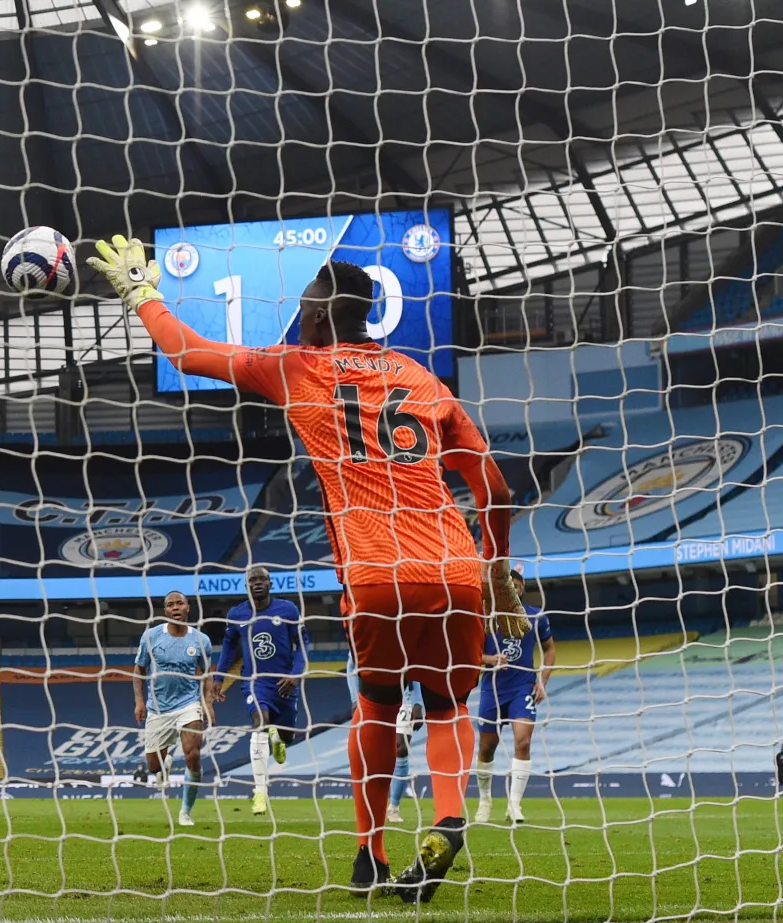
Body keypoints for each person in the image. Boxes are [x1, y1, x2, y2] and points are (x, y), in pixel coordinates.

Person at [88, 238, 528, 902]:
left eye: (302, 309)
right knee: (445, 705)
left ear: (320, 319)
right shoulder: (421, 378)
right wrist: (495, 575)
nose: (298, 320)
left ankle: (369, 855)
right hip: (456, 567)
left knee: (378, 704)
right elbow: (495, 488)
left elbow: (187, 352)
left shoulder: (298, 367)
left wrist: (141, 292)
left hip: (377, 572)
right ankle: (446, 817)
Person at [214, 565, 307, 816]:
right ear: (247, 585)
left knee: (286, 737)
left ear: (270, 583)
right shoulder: (237, 614)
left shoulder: (288, 610)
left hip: (284, 683)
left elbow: (302, 646)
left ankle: (279, 739)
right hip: (255, 681)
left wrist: (294, 675)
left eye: (262, 579)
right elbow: (228, 647)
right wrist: (218, 678)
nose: (257, 583)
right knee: (259, 722)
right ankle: (260, 793)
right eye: (252, 579)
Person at [473, 567, 555, 824]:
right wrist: (490, 659)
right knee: (487, 748)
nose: (513, 588)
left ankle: (514, 805)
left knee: (523, 743)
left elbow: (549, 649)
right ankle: (485, 800)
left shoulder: (535, 617)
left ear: (521, 588)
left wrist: (542, 681)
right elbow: (469, 655)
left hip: (523, 687)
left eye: (516, 585)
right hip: (492, 689)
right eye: (508, 585)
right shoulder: (485, 618)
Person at [133, 590, 214, 827]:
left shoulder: (201, 640)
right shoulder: (151, 636)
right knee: (154, 766)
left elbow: (208, 674)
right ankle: (164, 764)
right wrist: (139, 701)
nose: (175, 608)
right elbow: (139, 670)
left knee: (193, 753)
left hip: (188, 704)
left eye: (180, 603)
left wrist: (207, 703)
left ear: (188, 607)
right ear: (165, 611)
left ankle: (185, 812)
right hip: (158, 708)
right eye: (171, 605)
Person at [344, 651, 424, 824]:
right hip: (372, 696)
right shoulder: (366, 628)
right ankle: (371, 804)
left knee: (401, 748)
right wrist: (354, 699)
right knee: (373, 750)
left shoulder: (406, 628)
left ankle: (394, 807)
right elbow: (351, 666)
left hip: (403, 696)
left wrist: (419, 703)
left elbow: (415, 668)